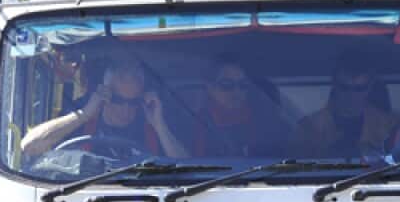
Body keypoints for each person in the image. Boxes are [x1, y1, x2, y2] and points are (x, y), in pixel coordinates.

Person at [19, 57, 187, 160]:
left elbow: (186, 166)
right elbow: (29, 146)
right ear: (104, 94)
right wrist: (84, 115)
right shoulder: (81, 115)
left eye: (133, 102)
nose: (126, 109)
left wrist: (159, 126)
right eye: (119, 100)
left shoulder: (153, 120)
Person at [191, 54, 293, 157]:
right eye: (227, 84)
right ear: (210, 88)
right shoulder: (194, 124)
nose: (237, 92)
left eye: (243, 85)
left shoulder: (268, 122)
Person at [298, 62, 400, 159]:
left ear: (370, 87)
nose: (351, 95)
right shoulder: (308, 128)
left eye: (359, 88)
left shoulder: (391, 126)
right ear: (334, 85)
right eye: (345, 87)